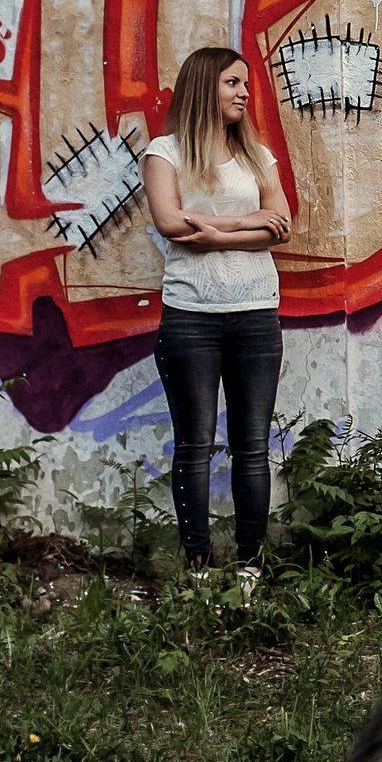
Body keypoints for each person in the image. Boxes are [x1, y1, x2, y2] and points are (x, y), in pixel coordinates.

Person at [141, 46, 293, 571]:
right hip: (190, 318)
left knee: (252, 448)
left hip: (256, 313)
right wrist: (247, 224)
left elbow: (281, 224)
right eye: (233, 83)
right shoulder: (166, 153)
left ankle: (250, 566)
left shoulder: (257, 155)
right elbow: (168, 222)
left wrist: (213, 230)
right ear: (205, 87)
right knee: (195, 447)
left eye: (245, 85)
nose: (245, 93)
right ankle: (200, 565)